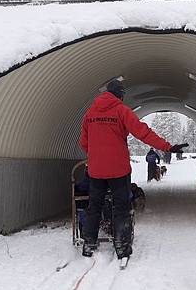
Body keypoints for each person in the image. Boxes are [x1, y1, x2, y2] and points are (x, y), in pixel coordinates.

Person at [79, 79, 188, 259]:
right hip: (118, 170)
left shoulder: (90, 113)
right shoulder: (121, 111)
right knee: (121, 207)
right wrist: (168, 147)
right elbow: (143, 133)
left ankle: (89, 244)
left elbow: (84, 142)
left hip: (96, 171)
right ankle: (121, 246)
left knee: (94, 206)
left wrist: (97, 156)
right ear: (120, 95)